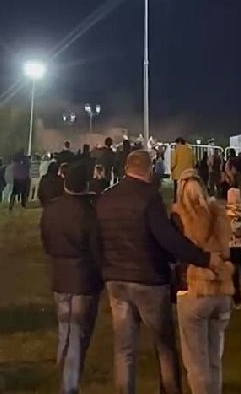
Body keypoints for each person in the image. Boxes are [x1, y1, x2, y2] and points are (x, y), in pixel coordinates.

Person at [97, 149, 223, 394]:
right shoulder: (148, 197)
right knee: (164, 346)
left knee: (124, 348)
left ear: (126, 168)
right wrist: (203, 258)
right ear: (148, 169)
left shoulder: (106, 198)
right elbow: (167, 239)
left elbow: (97, 238)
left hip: (116, 279)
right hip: (148, 281)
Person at [41, 162, 103, 393]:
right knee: (77, 334)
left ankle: (63, 370)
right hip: (84, 281)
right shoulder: (90, 212)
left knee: (64, 330)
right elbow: (97, 249)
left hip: (60, 278)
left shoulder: (51, 209)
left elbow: (46, 242)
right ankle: (68, 385)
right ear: (85, 184)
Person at [173, 171, 234, 394]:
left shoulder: (179, 215)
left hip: (195, 289)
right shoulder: (218, 212)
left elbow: (176, 251)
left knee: (196, 363)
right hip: (222, 289)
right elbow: (227, 249)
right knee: (214, 358)